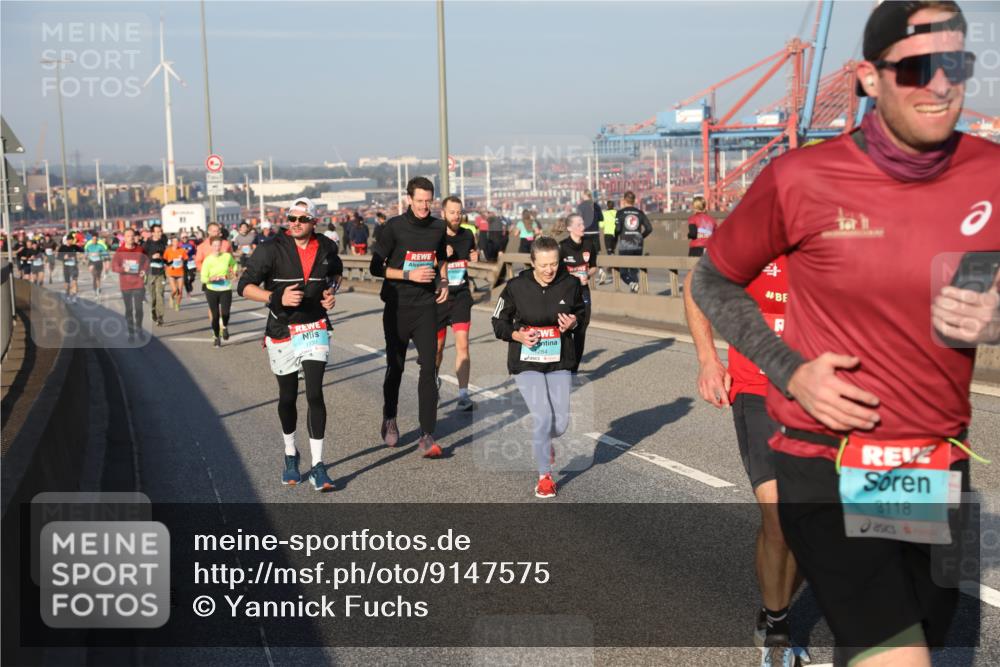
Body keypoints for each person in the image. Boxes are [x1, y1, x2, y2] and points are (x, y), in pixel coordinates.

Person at [691, 3, 998, 665]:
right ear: (869, 76)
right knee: (896, 653)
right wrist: (789, 369)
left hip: (931, 458)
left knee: (909, 634)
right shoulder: (802, 178)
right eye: (917, 68)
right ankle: (777, 617)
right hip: (822, 454)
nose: (941, 84)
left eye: (956, 65)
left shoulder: (990, 175)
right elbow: (710, 282)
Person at [684, 256, 804, 661]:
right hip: (758, 392)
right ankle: (777, 626)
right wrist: (707, 358)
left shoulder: (841, 240)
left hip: (816, 395)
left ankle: (776, 607)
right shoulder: (756, 235)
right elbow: (696, 284)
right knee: (778, 515)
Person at [238, 197, 342, 491]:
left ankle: (318, 466)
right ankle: (290, 454)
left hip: (314, 326)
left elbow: (336, 274)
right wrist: (275, 298)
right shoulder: (270, 248)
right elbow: (244, 286)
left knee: (315, 393)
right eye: (291, 219)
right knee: (287, 397)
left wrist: (331, 294)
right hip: (282, 328)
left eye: (302, 219)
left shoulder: (326, 246)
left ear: (314, 222)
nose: (295, 224)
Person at [492, 236, 585, 498]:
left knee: (561, 424)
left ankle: (546, 440)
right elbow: (498, 321)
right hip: (526, 361)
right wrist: (517, 335)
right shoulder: (515, 286)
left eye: (554, 264)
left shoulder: (570, 284)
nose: (549, 270)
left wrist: (573, 323)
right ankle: (545, 477)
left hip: (559, 360)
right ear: (532, 262)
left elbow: (582, 313)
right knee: (542, 417)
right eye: (543, 265)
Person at [369, 177, 448, 457]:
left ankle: (427, 434)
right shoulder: (394, 228)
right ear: (409, 200)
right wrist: (407, 274)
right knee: (397, 367)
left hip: (426, 306)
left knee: (429, 368)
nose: (425, 206)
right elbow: (376, 268)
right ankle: (389, 417)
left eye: (429, 201)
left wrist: (443, 282)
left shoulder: (439, 227)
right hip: (397, 306)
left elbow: (441, 258)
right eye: (419, 201)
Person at [435, 196, 478, 412]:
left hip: (461, 296)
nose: (456, 216)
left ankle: (463, 395)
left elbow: (472, 254)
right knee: (438, 348)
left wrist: (474, 255)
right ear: (443, 213)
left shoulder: (468, 234)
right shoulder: (435, 235)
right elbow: (424, 262)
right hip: (439, 299)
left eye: (459, 212)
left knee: (463, 345)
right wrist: (440, 256)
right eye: (452, 212)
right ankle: (433, 379)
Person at [558, 214, 598, 374]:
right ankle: (563, 364)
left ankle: (573, 369)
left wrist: (588, 275)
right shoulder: (562, 247)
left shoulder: (589, 244)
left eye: (583, 224)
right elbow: (556, 272)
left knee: (581, 329)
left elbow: (594, 266)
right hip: (566, 294)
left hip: (583, 292)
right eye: (579, 224)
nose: (583, 227)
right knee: (565, 329)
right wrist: (571, 278)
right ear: (569, 228)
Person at [111, 228, 149, 343]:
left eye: (132, 236)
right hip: (126, 284)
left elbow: (146, 261)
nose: (130, 238)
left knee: (139, 309)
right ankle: (131, 333)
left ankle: (139, 329)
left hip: (138, 283)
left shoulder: (140, 249)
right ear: (124, 238)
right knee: (129, 310)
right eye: (128, 236)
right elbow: (114, 267)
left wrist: (144, 270)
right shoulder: (120, 250)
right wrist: (124, 268)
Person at [196, 222, 233, 333]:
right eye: (213, 231)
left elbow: (231, 259)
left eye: (218, 231)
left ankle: (223, 325)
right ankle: (215, 329)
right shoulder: (202, 246)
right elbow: (198, 262)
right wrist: (207, 274)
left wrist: (231, 272)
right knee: (213, 308)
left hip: (224, 280)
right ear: (208, 232)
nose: (216, 233)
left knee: (224, 308)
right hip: (210, 280)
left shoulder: (226, 244)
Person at [200, 237, 237, 347]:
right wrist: (211, 279)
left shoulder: (227, 256)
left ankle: (224, 327)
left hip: (225, 288)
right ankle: (216, 336)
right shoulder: (208, 260)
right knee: (215, 316)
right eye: (215, 245)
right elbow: (203, 278)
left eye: (219, 245)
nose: (217, 248)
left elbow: (234, 265)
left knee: (225, 313)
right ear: (211, 246)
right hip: (212, 289)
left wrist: (231, 274)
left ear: (221, 246)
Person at [615, 190, 653, 293]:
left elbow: (618, 229)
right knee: (633, 270)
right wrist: (640, 236)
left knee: (623, 271)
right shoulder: (640, 213)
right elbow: (649, 228)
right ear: (634, 200)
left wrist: (616, 235)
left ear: (624, 200)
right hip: (637, 245)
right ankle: (634, 290)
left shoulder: (620, 213)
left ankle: (632, 284)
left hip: (625, 245)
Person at [143, 224, 169, 326]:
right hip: (150, 273)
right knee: (153, 296)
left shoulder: (163, 243)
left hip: (161, 273)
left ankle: (160, 316)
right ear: (152, 232)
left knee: (160, 294)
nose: (159, 234)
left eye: (160, 231)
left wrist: (163, 258)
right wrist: (152, 256)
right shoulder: (147, 244)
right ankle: (153, 311)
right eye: (157, 232)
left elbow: (167, 257)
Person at [163, 236, 188, 311]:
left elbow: (186, 259)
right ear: (172, 242)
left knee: (180, 290)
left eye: (177, 241)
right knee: (174, 290)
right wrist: (169, 264)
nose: (176, 243)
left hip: (180, 272)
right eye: (174, 241)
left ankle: (177, 304)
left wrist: (183, 263)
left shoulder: (182, 250)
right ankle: (171, 297)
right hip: (171, 272)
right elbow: (164, 260)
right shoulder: (168, 250)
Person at [57, 234, 82, 303]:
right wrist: (63, 257)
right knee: (67, 283)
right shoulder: (62, 248)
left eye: (72, 240)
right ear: (67, 240)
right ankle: (67, 295)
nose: (71, 241)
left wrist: (80, 255)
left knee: (74, 281)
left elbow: (82, 251)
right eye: (70, 240)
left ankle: (74, 296)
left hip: (74, 267)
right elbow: (58, 257)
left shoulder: (75, 247)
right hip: (66, 267)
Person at [599, 199, 618, 284]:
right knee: (612, 250)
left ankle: (612, 265)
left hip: (607, 234)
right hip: (615, 233)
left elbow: (601, 225)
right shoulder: (617, 213)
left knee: (609, 251)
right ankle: (613, 265)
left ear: (607, 205)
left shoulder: (604, 214)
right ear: (613, 205)